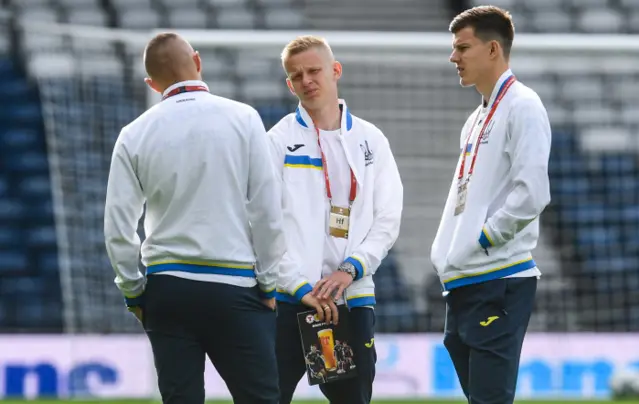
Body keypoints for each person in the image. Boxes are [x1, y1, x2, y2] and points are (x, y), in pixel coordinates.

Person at [103, 32, 285, 404]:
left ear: (151, 84)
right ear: (198, 62)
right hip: (236, 287)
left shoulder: (133, 134)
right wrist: (268, 283)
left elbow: (119, 228)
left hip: (168, 288)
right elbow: (267, 210)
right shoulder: (244, 118)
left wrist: (133, 291)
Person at [267, 35, 403, 404]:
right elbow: (262, 226)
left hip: (349, 299)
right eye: (296, 75)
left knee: (350, 401)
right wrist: (298, 287)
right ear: (289, 83)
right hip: (289, 299)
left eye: (314, 71)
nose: (306, 80)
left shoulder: (371, 141)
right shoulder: (276, 142)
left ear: (335, 70)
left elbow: (388, 218)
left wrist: (351, 269)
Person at [430, 5, 552, 404]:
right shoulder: (475, 119)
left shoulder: (524, 105)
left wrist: (483, 239)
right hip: (465, 279)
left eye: (463, 47)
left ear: (493, 49)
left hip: (498, 277)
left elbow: (532, 191)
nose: (454, 57)